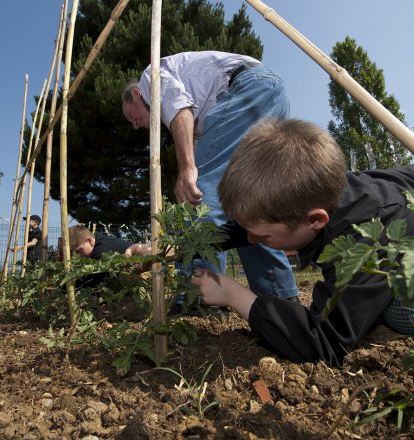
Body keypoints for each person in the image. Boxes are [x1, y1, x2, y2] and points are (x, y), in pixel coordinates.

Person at [190, 119, 414, 364]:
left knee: (406, 310)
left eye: (263, 236)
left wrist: (234, 295)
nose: (252, 240)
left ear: (315, 220)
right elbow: (246, 228)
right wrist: (178, 246)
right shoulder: (312, 197)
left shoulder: (366, 234)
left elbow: (327, 342)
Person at [121, 51, 298, 302]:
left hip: (247, 88)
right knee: (251, 207)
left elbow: (180, 110)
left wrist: (188, 171)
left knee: (198, 197)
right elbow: (202, 145)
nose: (134, 125)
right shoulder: (202, 116)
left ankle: (196, 298)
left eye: (131, 116)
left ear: (137, 94)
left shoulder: (150, 77)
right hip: (271, 96)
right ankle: (280, 298)